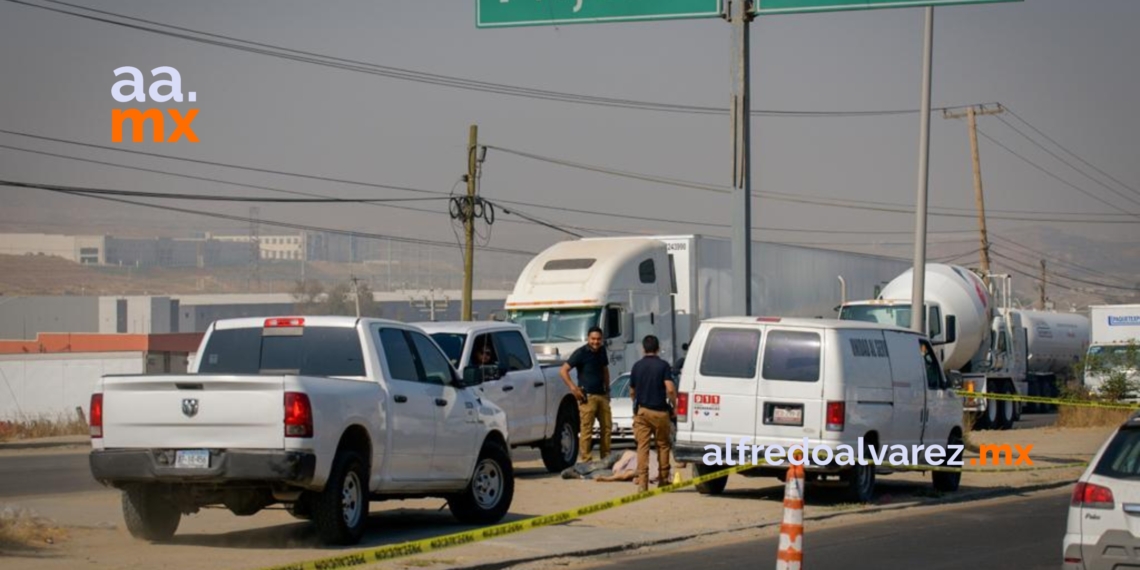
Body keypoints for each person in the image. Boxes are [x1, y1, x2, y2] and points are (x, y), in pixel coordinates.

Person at [629, 334, 677, 492]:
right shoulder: (663, 366)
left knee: (642, 447)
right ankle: (663, 480)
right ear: (658, 349)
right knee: (663, 445)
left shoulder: (636, 366)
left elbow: (632, 391)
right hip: (660, 412)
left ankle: (643, 483)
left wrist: (635, 407)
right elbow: (670, 388)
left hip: (642, 412)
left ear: (643, 349)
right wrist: (674, 405)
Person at [560, 326, 611, 463]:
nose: (596, 342)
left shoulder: (602, 351)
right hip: (587, 397)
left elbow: (605, 370)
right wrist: (573, 388)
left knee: (607, 428)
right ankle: (586, 460)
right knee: (587, 430)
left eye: (598, 339)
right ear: (588, 338)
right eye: (593, 339)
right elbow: (563, 370)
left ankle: (606, 459)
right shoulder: (581, 353)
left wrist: (608, 389)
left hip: (602, 395)